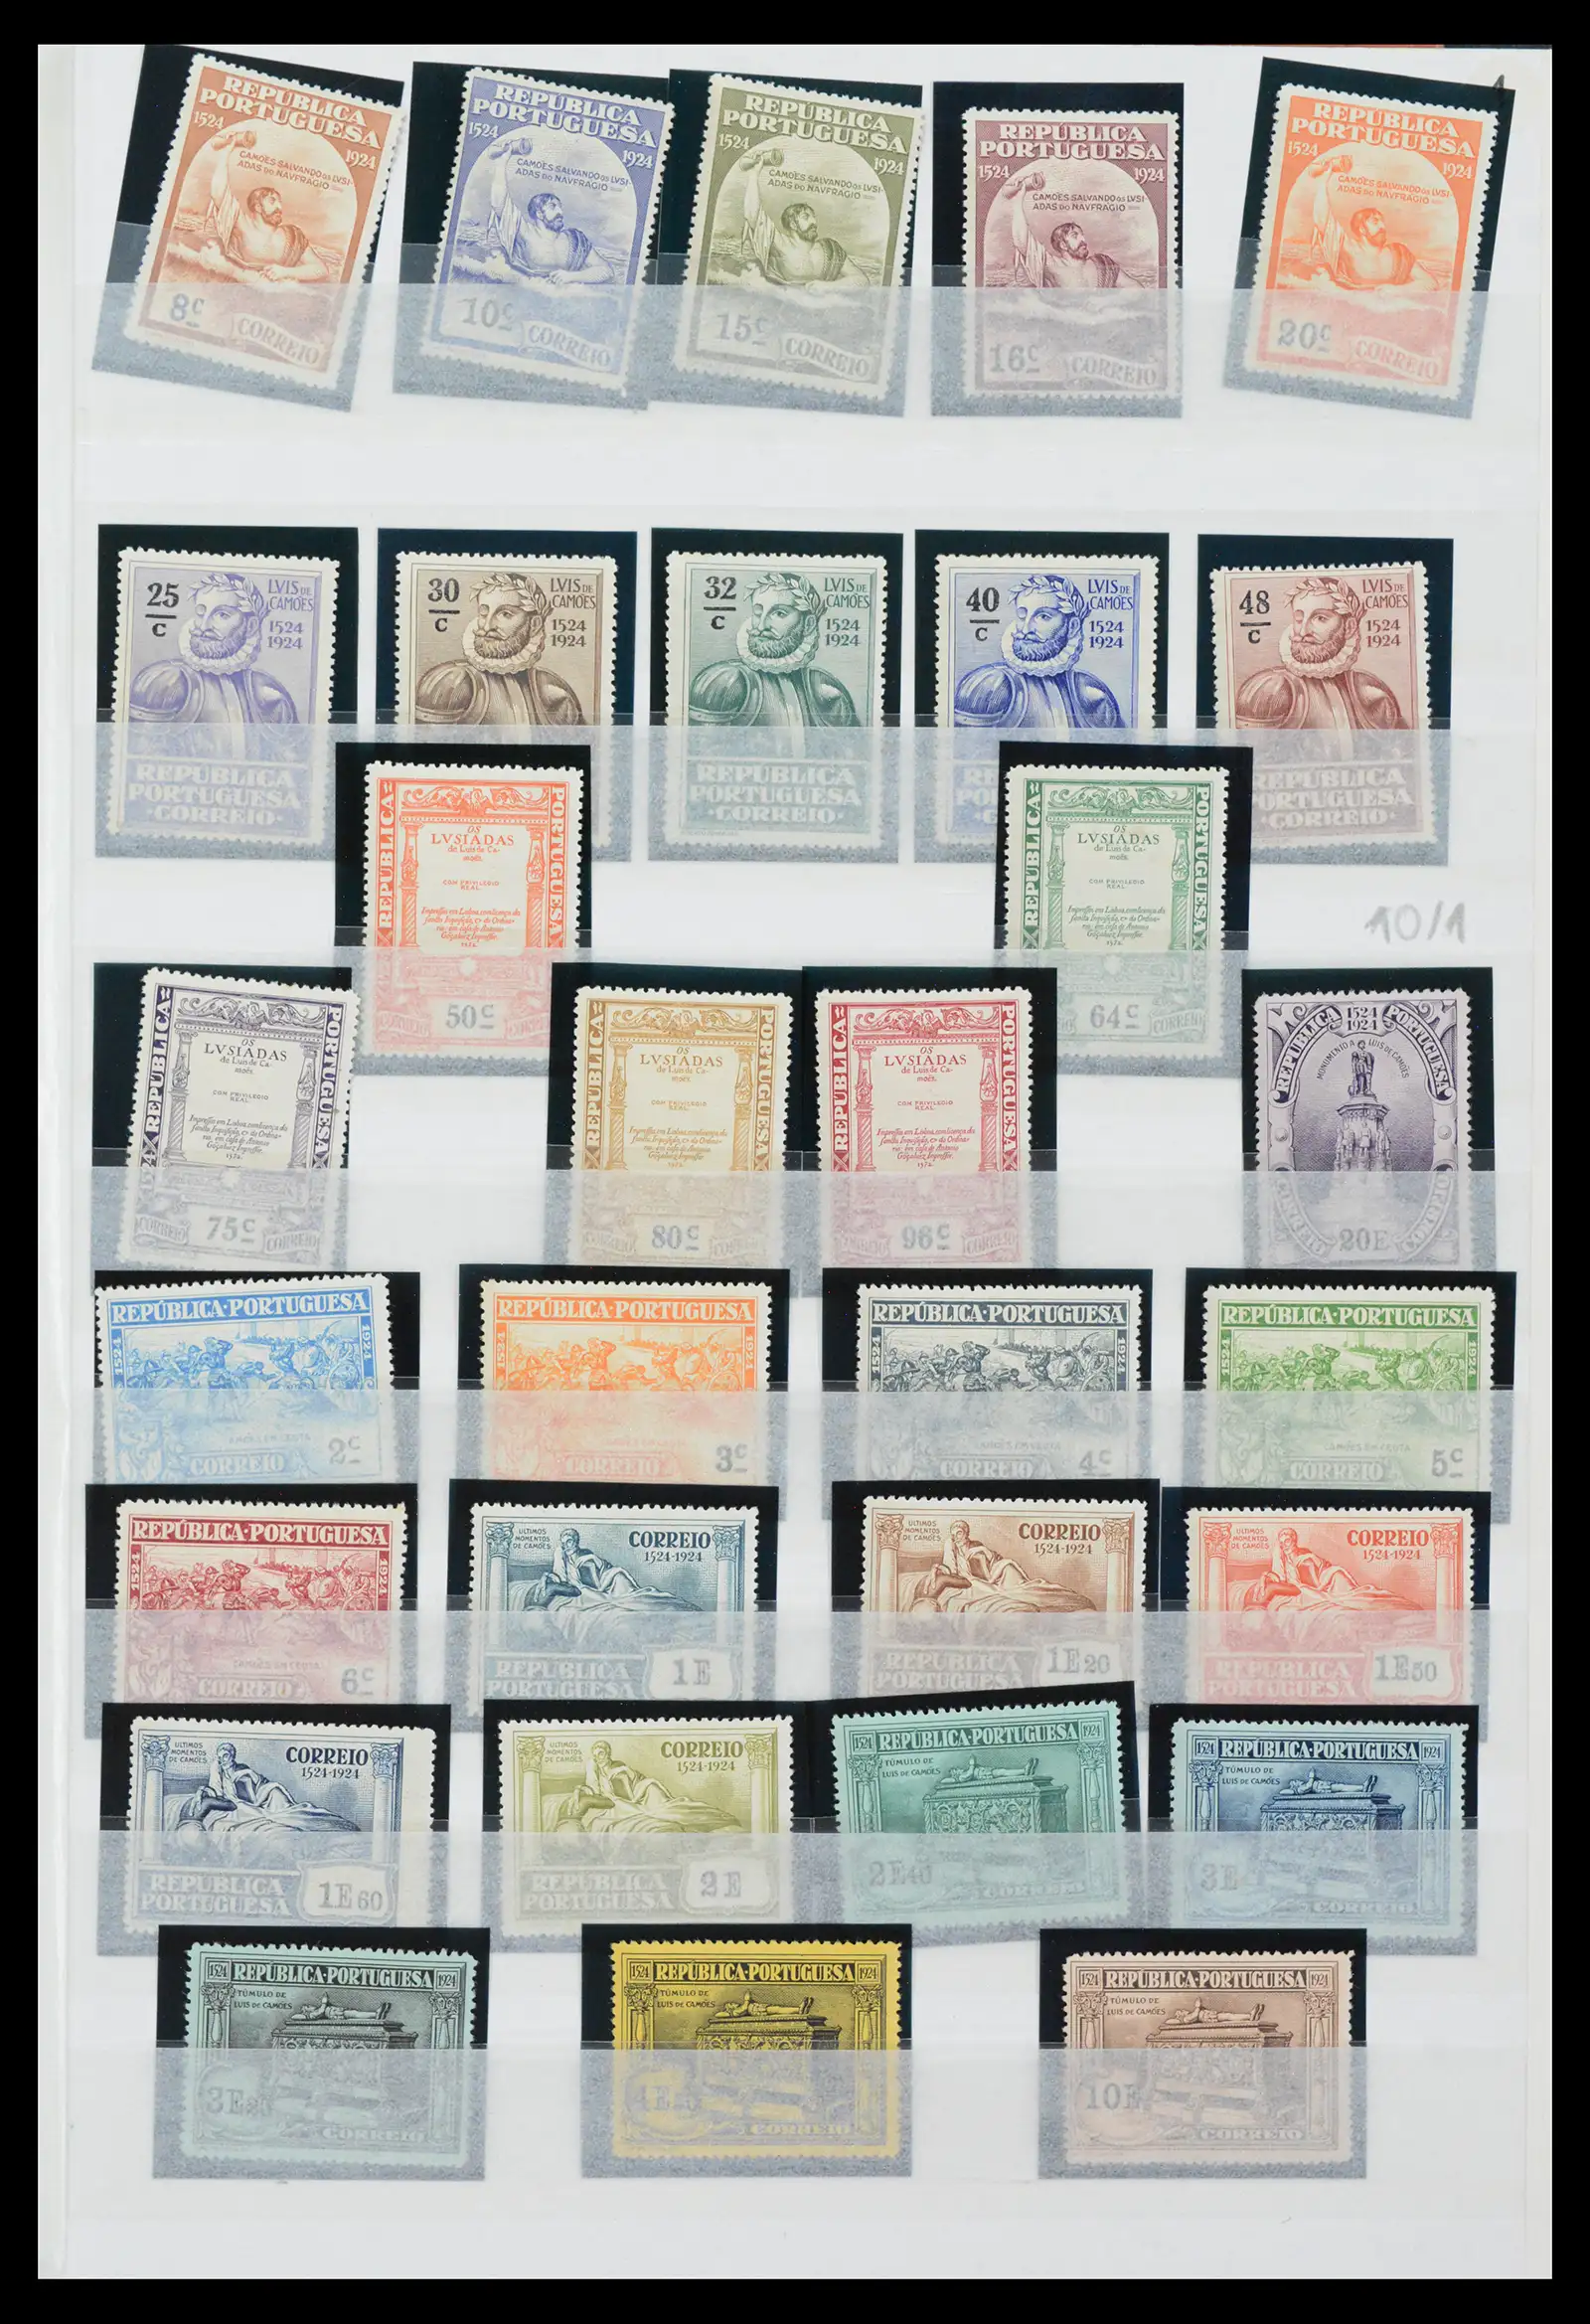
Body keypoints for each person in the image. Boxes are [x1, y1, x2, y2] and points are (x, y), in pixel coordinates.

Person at [952, 574, 1125, 730]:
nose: (1025, 628)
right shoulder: (990, 685)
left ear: (1072, 627)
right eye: (1022, 615)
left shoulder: (1090, 692)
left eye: (1043, 616)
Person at [689, 571, 860, 728]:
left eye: (779, 613)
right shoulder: (725, 682)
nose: (761, 626)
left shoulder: (823, 687)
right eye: (758, 613)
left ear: (808, 625)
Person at [1234, 577, 1407, 732]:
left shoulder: (1370, 690)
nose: (1303, 631)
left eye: (1320, 618)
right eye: (1299, 619)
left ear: (1349, 627)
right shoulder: (1270, 689)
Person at [128, 573, 300, 725]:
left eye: (222, 615)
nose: (203, 626)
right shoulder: (164, 682)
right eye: (201, 612)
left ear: (251, 626)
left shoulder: (269, 694)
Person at [415, 573, 584, 725]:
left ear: (534, 624)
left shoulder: (552, 689)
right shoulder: (451, 682)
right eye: (483, 613)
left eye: (505, 614)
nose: (487, 626)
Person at [187, 128, 330, 283]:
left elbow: (321, 269)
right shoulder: (241, 225)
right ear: (258, 207)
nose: (279, 208)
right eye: (272, 201)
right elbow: (218, 192)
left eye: (280, 202)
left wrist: (285, 272)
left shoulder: (292, 236)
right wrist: (227, 151)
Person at [467, 144, 614, 283]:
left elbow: (606, 270)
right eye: (553, 207)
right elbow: (499, 203)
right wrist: (501, 164)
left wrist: (571, 277)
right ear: (539, 213)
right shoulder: (524, 232)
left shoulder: (575, 239)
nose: (560, 212)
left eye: (560, 207)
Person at [731, 147, 867, 285]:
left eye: (813, 217)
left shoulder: (830, 249)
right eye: (806, 217)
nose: (814, 222)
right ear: (793, 224)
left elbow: (861, 280)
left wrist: (829, 287)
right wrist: (754, 175)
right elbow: (752, 214)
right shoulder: (779, 244)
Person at [1002, 174, 1137, 288]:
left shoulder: (1102, 264)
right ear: (1063, 245)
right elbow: (1022, 241)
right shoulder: (1053, 265)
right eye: (1075, 235)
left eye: (1082, 235)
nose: (1083, 239)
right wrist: (1018, 200)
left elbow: (1136, 290)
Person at [1309, 155, 1423, 289]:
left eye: (1382, 222)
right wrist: (1324, 180)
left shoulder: (1399, 253)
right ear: (1362, 229)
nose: (1383, 227)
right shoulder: (1346, 249)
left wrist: (1397, 291)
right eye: (1375, 222)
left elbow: (1430, 283)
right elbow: (1322, 218)